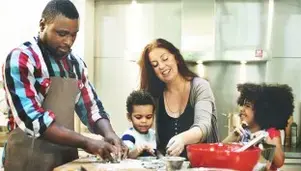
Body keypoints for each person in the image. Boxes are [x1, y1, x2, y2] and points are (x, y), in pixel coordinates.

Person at [1, 0, 127, 170]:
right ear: (42, 25)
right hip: (26, 161)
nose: (68, 41)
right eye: (62, 33)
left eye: (74, 35)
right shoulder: (21, 59)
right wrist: (86, 142)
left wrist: (109, 133)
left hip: (64, 162)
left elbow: (92, 108)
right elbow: (33, 121)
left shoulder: (76, 64)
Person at [138, 38, 219, 158]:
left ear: (176, 57)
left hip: (202, 165)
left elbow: (204, 127)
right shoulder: (156, 96)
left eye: (165, 59)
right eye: (155, 65)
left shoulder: (200, 87)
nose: (161, 66)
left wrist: (182, 139)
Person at [223, 83, 294, 170]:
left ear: (261, 110)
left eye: (247, 106)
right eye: (243, 105)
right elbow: (221, 152)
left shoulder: (270, 132)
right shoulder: (243, 132)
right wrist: (232, 136)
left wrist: (266, 142)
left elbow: (279, 162)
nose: (242, 109)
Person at [121, 90, 157, 159]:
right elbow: (125, 155)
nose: (144, 121)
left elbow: (159, 154)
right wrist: (137, 151)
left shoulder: (154, 135)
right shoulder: (128, 135)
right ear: (129, 117)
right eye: (138, 117)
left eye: (148, 117)